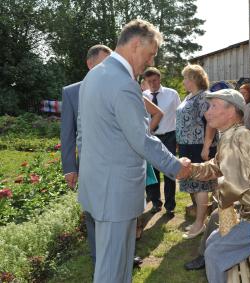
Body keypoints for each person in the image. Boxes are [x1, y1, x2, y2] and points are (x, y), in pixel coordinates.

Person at [76, 19, 191, 283]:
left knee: (118, 264)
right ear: (137, 44)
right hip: (116, 191)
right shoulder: (123, 82)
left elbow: (82, 133)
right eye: (150, 54)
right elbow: (141, 139)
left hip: (99, 185)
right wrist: (176, 166)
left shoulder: (94, 75)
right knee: (112, 269)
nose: (149, 62)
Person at [187, 89, 250, 283]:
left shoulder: (239, 136)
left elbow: (236, 186)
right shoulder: (231, 135)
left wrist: (216, 201)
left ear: (231, 111)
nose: (206, 112)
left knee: (215, 254)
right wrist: (189, 170)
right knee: (212, 241)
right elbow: (217, 166)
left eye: (213, 106)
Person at [60, 44, 111, 265]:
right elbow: (68, 133)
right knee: (92, 212)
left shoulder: (116, 87)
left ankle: (119, 254)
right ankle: (98, 258)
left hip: (116, 163)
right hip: (89, 164)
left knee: (117, 212)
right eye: (104, 63)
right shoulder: (72, 92)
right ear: (90, 64)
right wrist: (70, 167)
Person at [177, 64, 217, 239]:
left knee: (201, 185)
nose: (184, 81)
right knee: (193, 184)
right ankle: (201, 220)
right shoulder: (189, 97)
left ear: (194, 79)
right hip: (187, 146)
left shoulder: (203, 97)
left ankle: (200, 224)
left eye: (186, 78)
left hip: (199, 146)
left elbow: (210, 123)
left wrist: (206, 147)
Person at [143, 67, 181, 217]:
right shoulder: (143, 95)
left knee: (169, 171)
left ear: (159, 79)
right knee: (153, 172)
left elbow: (179, 116)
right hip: (151, 137)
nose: (152, 83)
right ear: (146, 81)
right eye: (149, 81)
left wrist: (179, 137)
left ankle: (170, 205)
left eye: (154, 80)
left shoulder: (172, 94)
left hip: (169, 136)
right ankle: (156, 203)